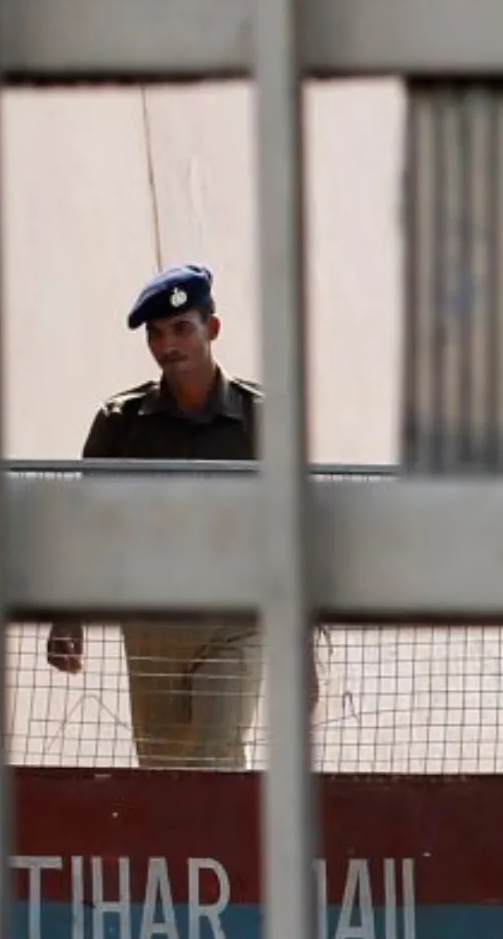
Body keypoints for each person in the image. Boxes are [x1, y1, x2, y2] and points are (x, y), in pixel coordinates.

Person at [48, 261, 311, 769]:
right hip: (153, 622)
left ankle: (226, 845)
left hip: (238, 620)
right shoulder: (121, 423)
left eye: (182, 329)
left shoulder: (264, 418)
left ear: (212, 329)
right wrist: (67, 614)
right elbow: (86, 522)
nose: (169, 345)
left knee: (215, 748)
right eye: (157, 334)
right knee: (165, 767)